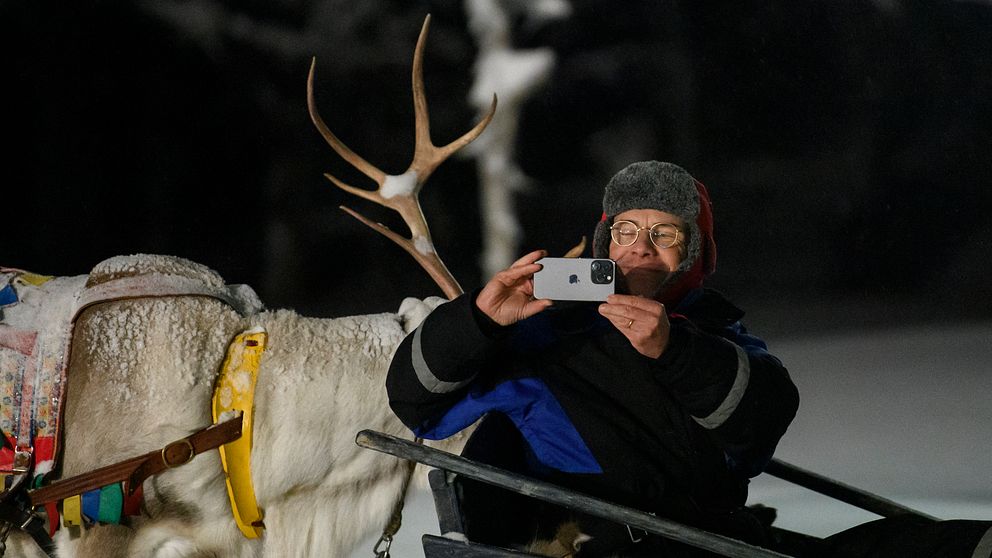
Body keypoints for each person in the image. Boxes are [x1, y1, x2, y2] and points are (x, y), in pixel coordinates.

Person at [387, 161, 800, 556]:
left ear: (696, 252)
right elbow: (413, 401)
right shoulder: (551, 337)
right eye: (625, 231)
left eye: (665, 234)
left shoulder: (720, 337)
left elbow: (761, 426)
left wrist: (673, 350)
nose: (641, 247)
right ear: (606, 243)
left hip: (715, 546)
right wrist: (478, 322)